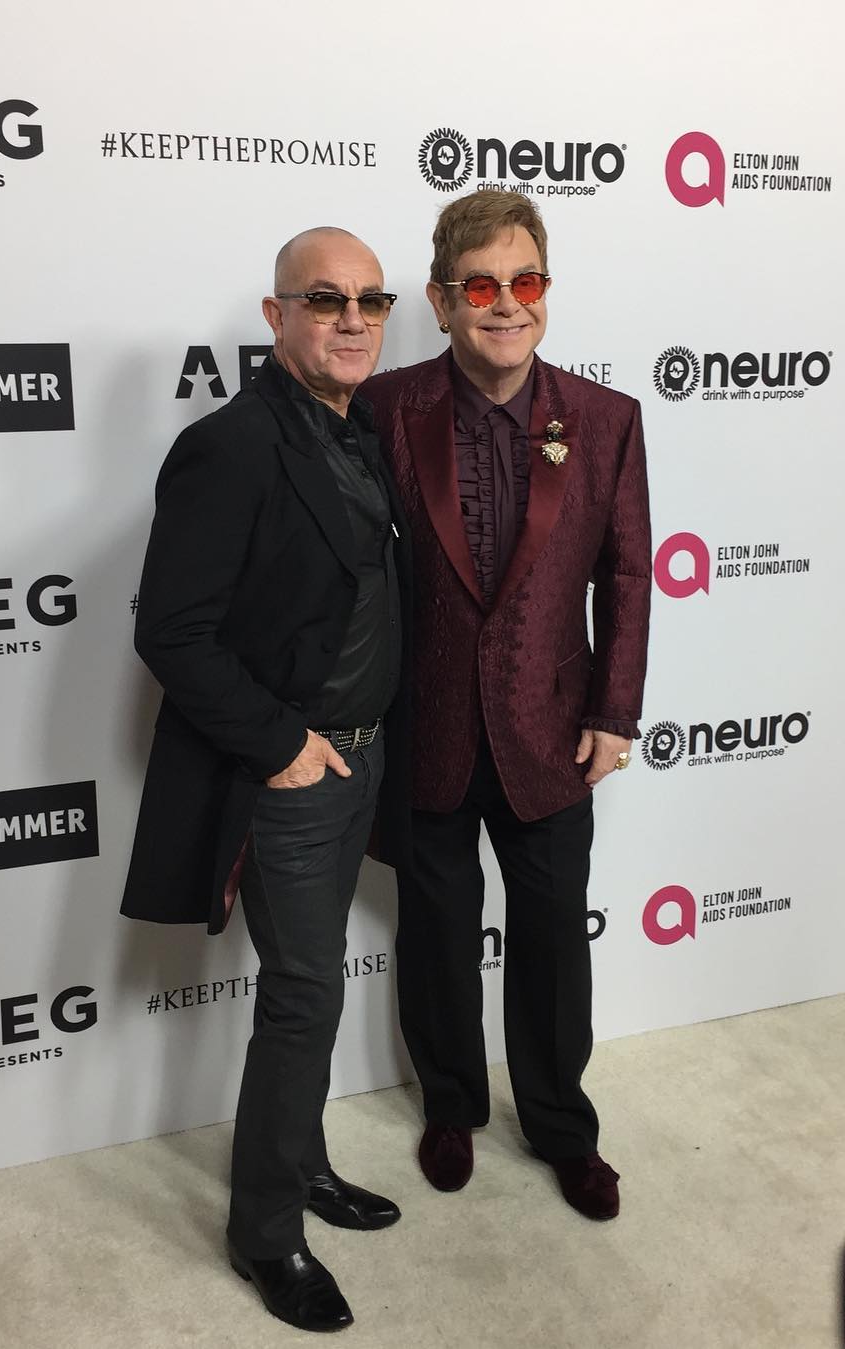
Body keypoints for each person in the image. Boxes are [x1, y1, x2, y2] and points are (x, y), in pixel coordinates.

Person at [121, 227, 410, 1332]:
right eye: (325, 299)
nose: (353, 319)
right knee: (304, 996)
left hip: (364, 758)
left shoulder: (363, 428)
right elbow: (172, 631)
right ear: (275, 314)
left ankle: (305, 1163)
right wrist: (282, 745)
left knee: (312, 989)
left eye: (371, 300)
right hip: (292, 772)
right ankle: (266, 1232)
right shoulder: (230, 445)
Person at [364, 189, 651, 1220]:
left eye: (525, 281)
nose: (507, 304)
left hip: (552, 732)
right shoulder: (383, 408)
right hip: (426, 728)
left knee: (552, 942)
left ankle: (563, 1127)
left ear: (546, 291)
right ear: (441, 301)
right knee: (437, 937)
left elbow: (627, 574)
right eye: (480, 286)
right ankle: (451, 1106)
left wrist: (615, 713)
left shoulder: (607, 419)